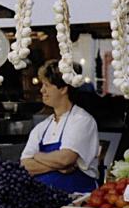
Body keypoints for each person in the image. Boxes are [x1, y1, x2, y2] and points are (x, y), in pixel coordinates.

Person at [21, 60, 100, 193]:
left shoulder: (82, 121)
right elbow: (25, 166)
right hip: (43, 199)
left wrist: (37, 156)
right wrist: (58, 165)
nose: (42, 90)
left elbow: (65, 159)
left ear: (63, 89)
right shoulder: (41, 127)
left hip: (76, 199)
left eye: (46, 85)